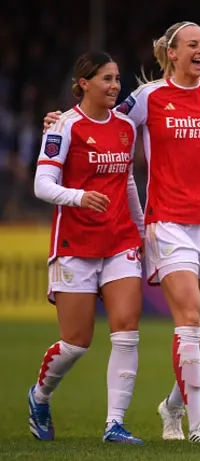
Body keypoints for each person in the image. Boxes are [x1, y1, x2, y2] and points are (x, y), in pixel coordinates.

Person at [44, 21, 200, 442]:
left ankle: (171, 405)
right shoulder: (149, 98)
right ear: (171, 53)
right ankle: (198, 422)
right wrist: (58, 122)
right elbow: (103, 118)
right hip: (168, 222)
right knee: (187, 319)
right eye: (192, 44)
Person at [29, 52, 144, 444]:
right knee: (76, 342)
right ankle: (40, 396)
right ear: (83, 83)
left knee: (127, 330)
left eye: (117, 79)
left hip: (120, 241)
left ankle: (115, 424)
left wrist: (141, 233)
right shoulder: (64, 126)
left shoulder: (126, 126)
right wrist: (80, 197)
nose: (115, 86)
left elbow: (127, 183)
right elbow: (41, 185)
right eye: (106, 79)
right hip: (75, 244)